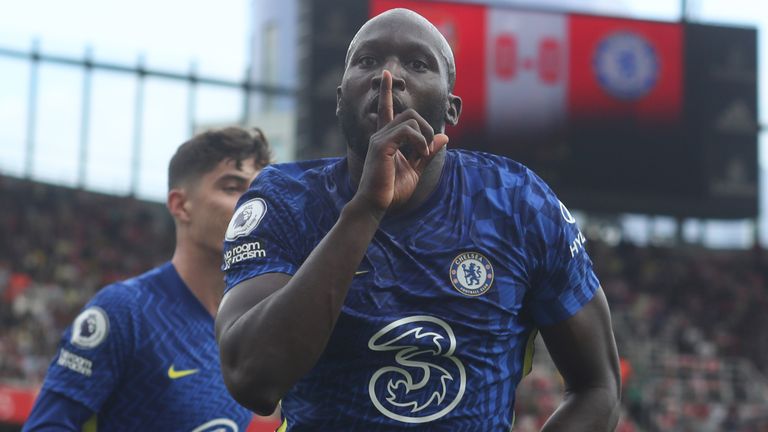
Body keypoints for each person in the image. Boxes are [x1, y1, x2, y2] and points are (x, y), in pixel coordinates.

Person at [217, 8, 621, 431]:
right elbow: (252, 379)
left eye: (417, 63)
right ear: (340, 98)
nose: (388, 76)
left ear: (451, 108)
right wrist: (366, 209)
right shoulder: (285, 199)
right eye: (368, 60)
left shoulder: (518, 202)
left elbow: (599, 387)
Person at [23, 127, 272, 431]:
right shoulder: (125, 311)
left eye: (258, 191)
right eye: (232, 188)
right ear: (180, 205)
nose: (251, 205)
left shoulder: (246, 331)